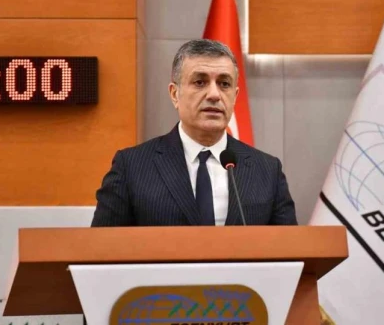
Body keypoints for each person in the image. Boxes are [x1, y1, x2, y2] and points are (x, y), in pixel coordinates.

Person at [91, 39, 297, 226]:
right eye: (200, 82)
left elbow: (289, 249)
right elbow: (102, 247)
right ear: (175, 94)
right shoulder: (131, 167)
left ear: (235, 97)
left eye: (224, 84)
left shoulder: (267, 171)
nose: (214, 94)